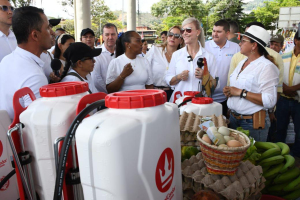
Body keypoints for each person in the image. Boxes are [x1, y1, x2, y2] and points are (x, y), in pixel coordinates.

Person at [223, 25, 279, 142]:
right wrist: (230, 91)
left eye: (243, 41)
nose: (239, 43)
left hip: (251, 123)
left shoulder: (266, 67)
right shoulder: (242, 62)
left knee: (251, 158)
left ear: (254, 46)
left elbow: (269, 101)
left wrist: (240, 93)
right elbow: (238, 88)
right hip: (234, 119)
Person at [0, 6, 54, 120]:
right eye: (48, 28)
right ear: (35, 35)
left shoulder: (7, 60)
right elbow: (37, 125)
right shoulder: (34, 76)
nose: (52, 33)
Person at [165, 17, 216, 103]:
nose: (184, 33)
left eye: (188, 30)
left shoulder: (209, 56)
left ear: (198, 32)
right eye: (182, 31)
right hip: (179, 103)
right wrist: (179, 77)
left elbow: (215, 86)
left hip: (201, 104)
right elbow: (168, 80)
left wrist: (205, 76)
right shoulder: (177, 55)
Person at [205, 20, 240, 116]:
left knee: (223, 127)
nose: (215, 34)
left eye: (219, 32)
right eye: (213, 31)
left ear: (227, 33)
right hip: (206, 97)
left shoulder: (236, 47)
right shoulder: (204, 47)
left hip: (226, 98)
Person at [275, 31, 300, 157]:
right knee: (280, 129)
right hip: (283, 99)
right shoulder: (284, 56)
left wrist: (293, 88)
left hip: (298, 100)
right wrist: (285, 88)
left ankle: (295, 157)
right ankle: (279, 155)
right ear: (296, 41)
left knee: (299, 132)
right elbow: (278, 75)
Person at [146, 26, 183, 101]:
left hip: (175, 94)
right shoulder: (155, 49)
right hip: (155, 92)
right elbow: (145, 68)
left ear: (181, 40)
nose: (172, 37)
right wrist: (149, 87)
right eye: (170, 34)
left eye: (176, 36)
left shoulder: (182, 56)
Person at [91, 23, 118, 93]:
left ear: (117, 35)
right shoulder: (96, 54)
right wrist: (109, 91)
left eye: (113, 34)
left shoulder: (122, 52)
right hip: (104, 97)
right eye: (107, 35)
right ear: (102, 36)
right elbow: (96, 79)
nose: (110, 37)